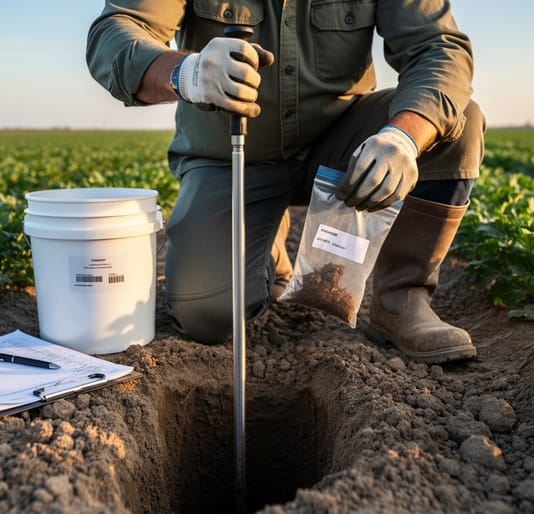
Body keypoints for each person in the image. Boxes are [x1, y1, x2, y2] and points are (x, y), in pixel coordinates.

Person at [86, 0, 485, 364]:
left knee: (459, 119)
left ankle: (403, 299)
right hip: (231, 153)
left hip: (344, 149)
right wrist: (184, 72)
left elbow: (438, 47)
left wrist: (404, 135)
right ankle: (267, 255)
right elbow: (117, 30)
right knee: (206, 314)